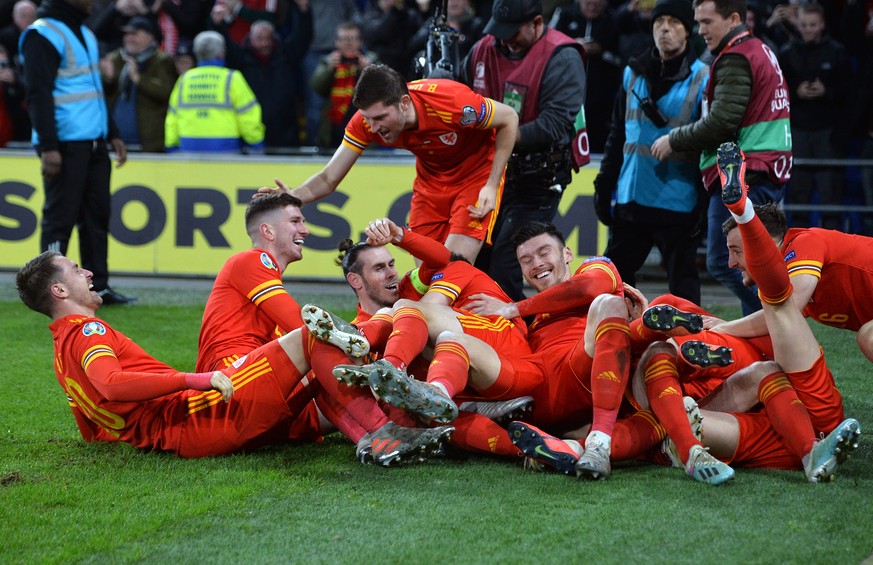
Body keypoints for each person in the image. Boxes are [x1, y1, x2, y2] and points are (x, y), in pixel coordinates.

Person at [16, 250, 455, 464]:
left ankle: (386, 426)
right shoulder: (89, 330)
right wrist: (196, 380)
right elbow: (110, 383)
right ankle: (386, 425)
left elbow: (92, 424)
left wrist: (135, 436)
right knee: (314, 338)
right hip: (201, 412)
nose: (88, 273)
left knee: (324, 359)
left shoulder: (61, 349)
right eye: (76, 270)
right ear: (59, 291)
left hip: (188, 428)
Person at [284, 63, 519, 263]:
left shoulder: (453, 103)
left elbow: (509, 118)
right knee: (428, 273)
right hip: (430, 183)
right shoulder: (367, 121)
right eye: (367, 119)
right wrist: (289, 198)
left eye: (380, 118)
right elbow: (328, 177)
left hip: (476, 176)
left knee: (451, 272)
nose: (373, 128)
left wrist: (491, 184)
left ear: (404, 103)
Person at [651, 0, 792, 316]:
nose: (701, 30)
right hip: (763, 169)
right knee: (749, 263)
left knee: (724, 260)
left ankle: (785, 317)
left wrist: (673, 140)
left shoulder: (735, 58)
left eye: (707, 22)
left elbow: (722, 122)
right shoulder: (758, 49)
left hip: (744, 175)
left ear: (732, 19)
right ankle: (765, 342)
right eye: (698, 22)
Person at [466, 222, 637, 480]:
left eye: (544, 253)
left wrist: (512, 308)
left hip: (584, 376)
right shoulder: (527, 325)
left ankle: (596, 444)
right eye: (526, 260)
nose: (536, 264)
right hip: (537, 399)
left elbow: (588, 288)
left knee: (609, 304)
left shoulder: (596, 267)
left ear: (567, 254)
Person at [461, 0, 586, 301]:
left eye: (512, 32)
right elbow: (460, 101)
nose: (504, 40)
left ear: (537, 24)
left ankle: (517, 333)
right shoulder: (481, 50)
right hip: (489, 176)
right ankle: (485, 332)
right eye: (499, 31)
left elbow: (554, 124)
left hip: (537, 178)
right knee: (477, 259)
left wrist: (500, 136)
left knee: (509, 259)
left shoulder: (562, 55)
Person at [20, 0, 136, 305]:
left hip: (94, 140)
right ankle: (47, 292)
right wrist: (49, 146)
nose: (94, 2)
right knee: (60, 218)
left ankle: (99, 288)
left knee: (97, 216)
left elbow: (94, 88)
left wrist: (112, 132)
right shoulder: (41, 34)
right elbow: (37, 93)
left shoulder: (84, 32)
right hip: (64, 142)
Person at [593, 0, 708, 304]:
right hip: (633, 198)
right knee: (611, 284)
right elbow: (618, 134)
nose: (665, 29)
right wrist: (604, 185)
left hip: (678, 200)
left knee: (684, 291)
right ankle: (614, 339)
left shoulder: (703, 77)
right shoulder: (633, 72)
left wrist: (704, 201)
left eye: (673, 23)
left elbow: (710, 142)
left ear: (688, 30)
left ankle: (690, 346)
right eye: (659, 23)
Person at [712, 201, 873, 365]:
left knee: (869, 336)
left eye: (737, 251)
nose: (731, 263)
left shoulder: (804, 242)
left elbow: (788, 309)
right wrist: (726, 328)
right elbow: (779, 322)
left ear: (760, 244)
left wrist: (723, 329)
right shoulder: (781, 278)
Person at [196, 193, 311, 373]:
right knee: (327, 365)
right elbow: (302, 326)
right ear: (268, 231)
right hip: (232, 372)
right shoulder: (252, 260)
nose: (305, 230)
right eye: (295, 221)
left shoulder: (263, 283)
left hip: (243, 371)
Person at [777, 3, 851, 230]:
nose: (809, 29)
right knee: (798, 198)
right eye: (805, 25)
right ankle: (800, 253)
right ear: (798, 25)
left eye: (813, 25)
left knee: (831, 198)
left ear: (822, 24)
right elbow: (777, 93)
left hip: (829, 134)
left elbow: (850, 92)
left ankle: (834, 256)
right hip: (797, 132)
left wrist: (826, 92)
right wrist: (796, 93)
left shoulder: (838, 52)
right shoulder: (787, 53)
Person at [164, 30, 265, 153]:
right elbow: (248, 115)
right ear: (222, 54)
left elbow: (172, 117)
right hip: (226, 148)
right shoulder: (232, 78)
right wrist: (255, 144)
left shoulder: (184, 79)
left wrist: (172, 146)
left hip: (188, 147)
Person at [222, 16, 313, 148]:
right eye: (259, 38)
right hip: (253, 134)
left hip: (285, 132)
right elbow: (226, 44)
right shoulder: (241, 59)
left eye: (268, 38)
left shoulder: (285, 56)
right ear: (250, 39)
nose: (264, 43)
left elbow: (302, 37)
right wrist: (218, 24)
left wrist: (303, 12)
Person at [551, 0, 622, 154]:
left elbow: (622, 60)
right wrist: (571, 46)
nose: (592, 6)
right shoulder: (563, 15)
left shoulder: (614, 21)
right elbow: (546, 51)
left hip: (602, 107)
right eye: (588, 2)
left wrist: (600, 52)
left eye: (598, 3)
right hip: (564, 104)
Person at [100, 15, 177, 152]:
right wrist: (108, 79)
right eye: (127, 34)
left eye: (134, 34)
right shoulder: (116, 57)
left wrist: (138, 78)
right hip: (115, 142)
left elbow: (167, 93)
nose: (129, 38)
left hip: (149, 143)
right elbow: (100, 94)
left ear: (150, 37)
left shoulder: (162, 61)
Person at [309, 21, 377, 148]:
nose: (349, 43)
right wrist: (329, 69)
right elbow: (316, 87)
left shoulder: (371, 61)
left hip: (364, 126)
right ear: (336, 42)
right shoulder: (327, 61)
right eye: (344, 39)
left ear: (360, 42)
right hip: (333, 127)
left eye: (352, 38)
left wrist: (369, 71)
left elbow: (384, 90)